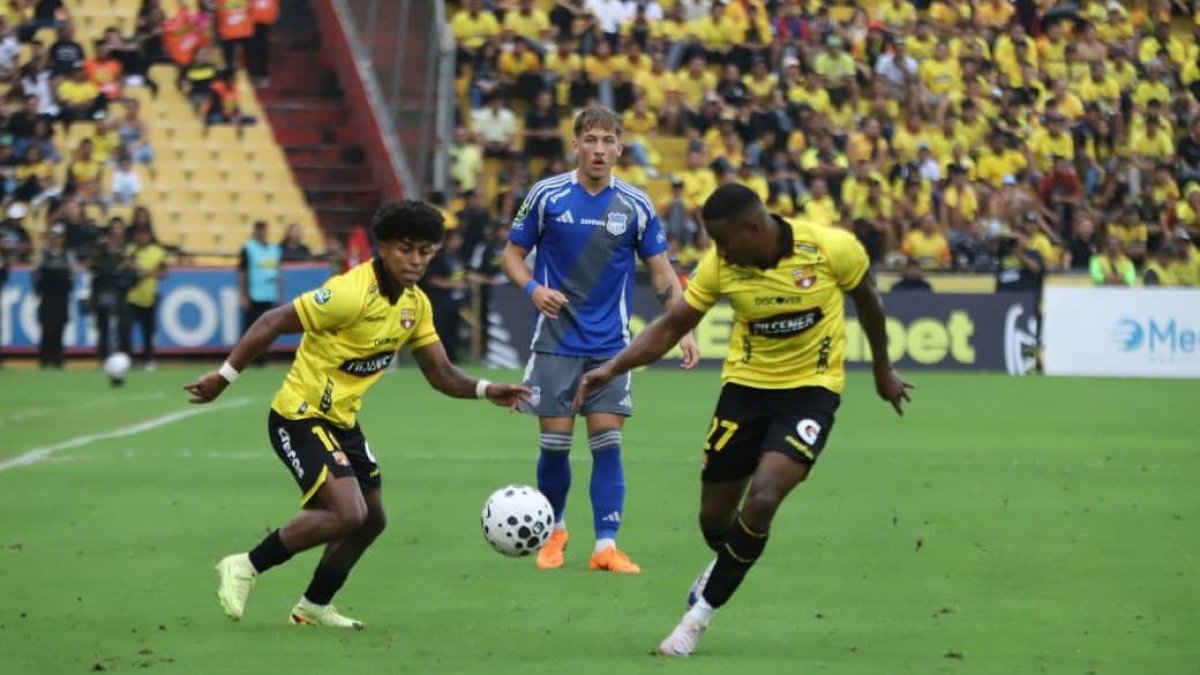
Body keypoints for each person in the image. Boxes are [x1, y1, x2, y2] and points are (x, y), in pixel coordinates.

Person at [573, 183, 912, 656]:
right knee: (715, 520)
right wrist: (611, 367)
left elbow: (870, 303)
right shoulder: (722, 266)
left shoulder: (832, 248)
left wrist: (881, 369)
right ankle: (724, 564)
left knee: (765, 496)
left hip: (810, 393)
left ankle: (695, 620)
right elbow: (672, 326)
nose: (718, 250)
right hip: (745, 393)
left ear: (755, 228)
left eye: (724, 240)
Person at [184, 200, 529, 629]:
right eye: (406, 249)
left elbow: (440, 373)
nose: (416, 260)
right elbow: (272, 321)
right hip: (299, 415)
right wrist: (224, 376)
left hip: (342, 421)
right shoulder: (348, 294)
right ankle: (245, 565)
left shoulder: (415, 306)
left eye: (425, 251)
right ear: (382, 247)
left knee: (372, 520)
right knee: (348, 514)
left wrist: (486, 389)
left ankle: (312, 605)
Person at [501, 105, 700, 574]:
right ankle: (555, 533)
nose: (598, 149)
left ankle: (605, 546)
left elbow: (662, 273)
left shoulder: (636, 205)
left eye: (607, 140)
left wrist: (684, 327)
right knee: (554, 444)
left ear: (619, 147)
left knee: (607, 443)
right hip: (555, 342)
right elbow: (511, 255)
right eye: (590, 139)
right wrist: (533, 288)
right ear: (575, 144)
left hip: (612, 347)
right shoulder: (547, 195)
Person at [121, 223, 167, 370]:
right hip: (132, 297)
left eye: (144, 234)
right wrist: (141, 271)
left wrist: (145, 272)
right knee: (126, 330)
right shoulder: (130, 250)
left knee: (149, 332)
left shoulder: (157, 252)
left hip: (149, 297)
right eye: (139, 234)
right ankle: (127, 359)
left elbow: (164, 273)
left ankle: (149, 359)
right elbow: (126, 266)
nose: (142, 237)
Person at [239, 220, 282, 366]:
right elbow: (243, 273)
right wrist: (243, 295)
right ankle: (244, 358)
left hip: (269, 294)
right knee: (250, 329)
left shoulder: (274, 250)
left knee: (268, 330)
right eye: (260, 230)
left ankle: (262, 358)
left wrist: (280, 294)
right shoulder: (248, 249)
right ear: (255, 232)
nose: (263, 233)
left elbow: (279, 274)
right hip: (254, 295)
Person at [33, 223, 75, 369]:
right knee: (47, 327)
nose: (56, 240)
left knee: (60, 327)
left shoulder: (67, 254)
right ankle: (45, 358)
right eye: (53, 237)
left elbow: (72, 274)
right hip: (47, 296)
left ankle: (58, 358)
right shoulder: (43, 255)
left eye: (58, 237)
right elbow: (35, 273)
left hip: (62, 297)